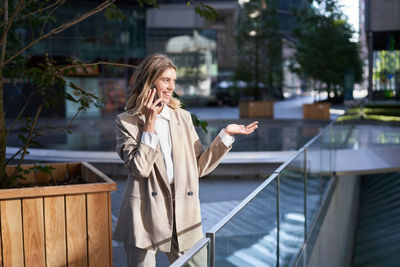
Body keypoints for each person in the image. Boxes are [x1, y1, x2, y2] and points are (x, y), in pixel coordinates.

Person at [113, 53, 258, 267]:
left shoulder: (182, 117)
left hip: (183, 212)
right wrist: (150, 125)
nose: (171, 86)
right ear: (149, 80)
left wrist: (226, 135)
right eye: (165, 80)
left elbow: (198, 167)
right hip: (144, 216)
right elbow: (140, 169)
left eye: (173, 80)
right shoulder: (127, 122)